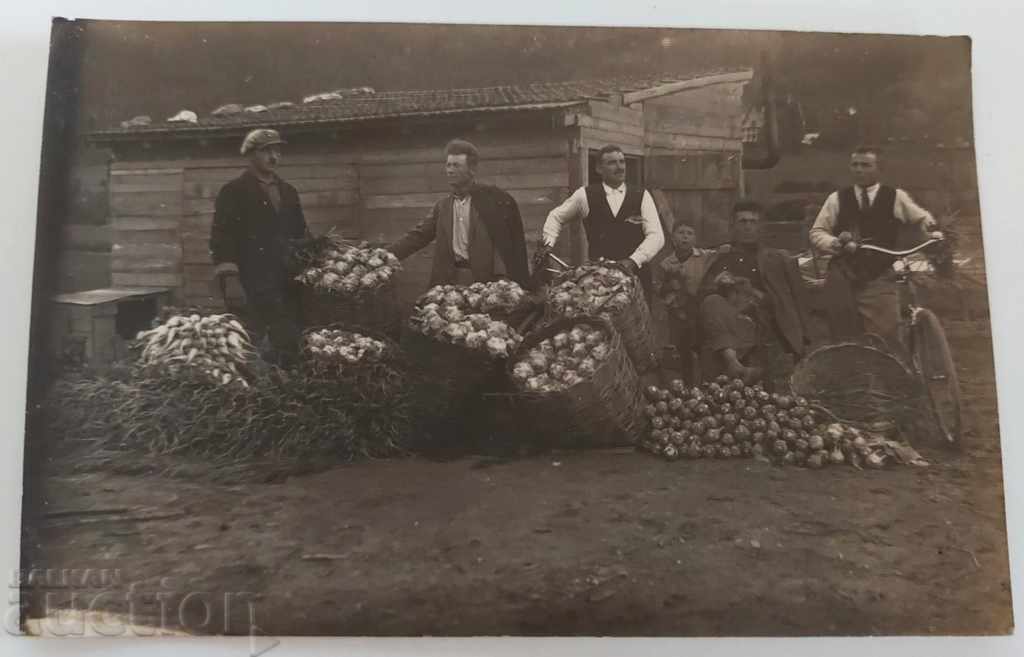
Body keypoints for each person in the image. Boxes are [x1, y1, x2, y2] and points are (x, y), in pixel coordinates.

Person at [809, 146, 939, 350]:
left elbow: (921, 218)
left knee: (886, 336)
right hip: (844, 276)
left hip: (879, 276)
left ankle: (888, 376)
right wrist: (833, 243)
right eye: (855, 165)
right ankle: (853, 376)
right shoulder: (837, 199)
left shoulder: (895, 197)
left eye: (865, 165)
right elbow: (817, 232)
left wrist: (932, 229)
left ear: (879, 169)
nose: (859, 170)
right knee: (845, 338)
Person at [209, 128, 311, 367]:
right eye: (266, 151)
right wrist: (230, 280)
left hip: (287, 281)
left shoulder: (288, 192)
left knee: (288, 342)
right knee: (247, 344)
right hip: (250, 281)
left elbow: (300, 232)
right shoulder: (233, 191)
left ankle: (285, 392)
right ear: (250, 154)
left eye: (277, 151)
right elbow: (221, 237)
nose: (274, 157)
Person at [698, 200, 810, 389]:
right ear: (733, 226)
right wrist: (717, 284)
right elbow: (701, 298)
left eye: (753, 222)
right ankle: (734, 363)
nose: (748, 227)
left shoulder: (776, 258)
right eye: (742, 222)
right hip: (728, 320)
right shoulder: (721, 257)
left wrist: (752, 292)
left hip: (760, 322)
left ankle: (734, 363)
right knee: (711, 301)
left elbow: (794, 299)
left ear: (761, 226)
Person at [387, 139, 530, 288]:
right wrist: (385, 255)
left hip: (484, 282)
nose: (450, 170)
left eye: (456, 165)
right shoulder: (443, 207)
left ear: (472, 169)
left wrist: (502, 279)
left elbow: (503, 244)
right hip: (449, 281)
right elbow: (418, 236)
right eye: (448, 165)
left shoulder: (492, 202)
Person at [541, 144, 665, 301]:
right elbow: (555, 217)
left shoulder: (641, 195)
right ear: (599, 169)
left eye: (622, 162)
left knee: (636, 322)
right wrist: (548, 245)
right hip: (599, 282)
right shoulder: (585, 195)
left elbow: (657, 236)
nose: (620, 167)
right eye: (612, 163)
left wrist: (633, 260)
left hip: (636, 278)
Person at [652, 220, 720, 383]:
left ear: (695, 239)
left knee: (704, 346)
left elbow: (720, 253)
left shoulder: (704, 256)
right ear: (673, 238)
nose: (685, 237)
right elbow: (658, 287)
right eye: (681, 233)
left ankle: (707, 381)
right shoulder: (666, 263)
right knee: (683, 348)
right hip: (678, 313)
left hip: (701, 309)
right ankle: (686, 382)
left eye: (690, 233)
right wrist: (670, 287)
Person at [698, 272, 764, 384]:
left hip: (742, 375)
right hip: (717, 369)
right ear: (733, 293)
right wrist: (732, 361)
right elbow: (719, 333)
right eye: (747, 295)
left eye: (752, 296)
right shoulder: (714, 302)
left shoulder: (747, 318)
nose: (750, 300)